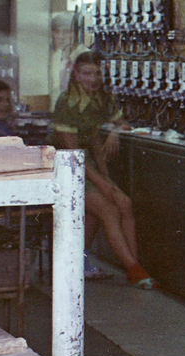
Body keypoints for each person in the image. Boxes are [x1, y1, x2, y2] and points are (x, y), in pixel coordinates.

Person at [52, 50, 154, 288]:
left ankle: (134, 267)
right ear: (76, 74)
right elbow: (74, 154)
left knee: (124, 203)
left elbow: (99, 138)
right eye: (87, 73)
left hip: (89, 165)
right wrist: (103, 183)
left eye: (97, 73)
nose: (93, 79)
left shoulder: (101, 98)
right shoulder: (67, 102)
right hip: (67, 167)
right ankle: (135, 270)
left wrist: (115, 132)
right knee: (108, 210)